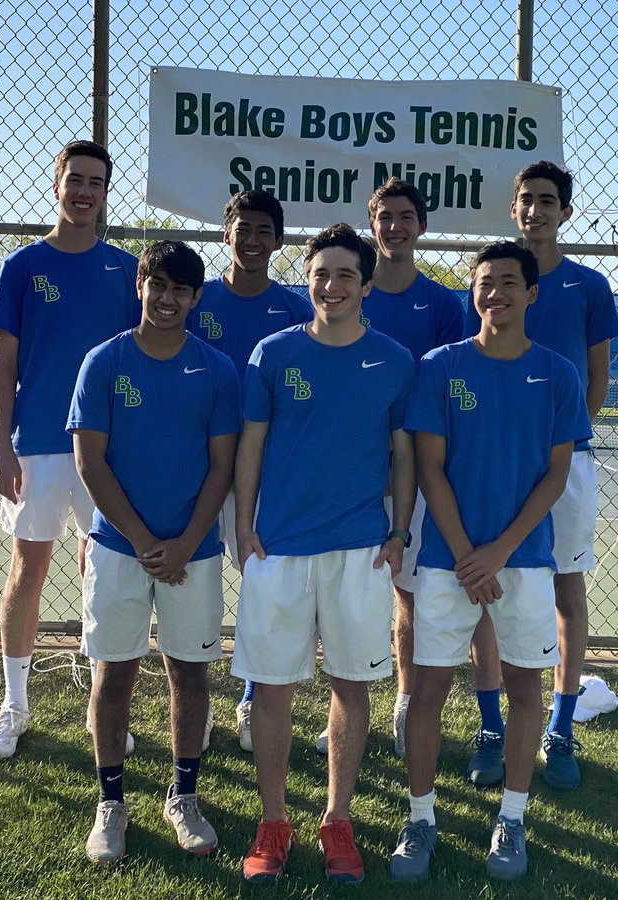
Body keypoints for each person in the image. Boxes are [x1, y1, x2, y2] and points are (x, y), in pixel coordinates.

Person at [391, 240, 591, 882]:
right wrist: (467, 553)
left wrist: (500, 551)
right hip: (448, 561)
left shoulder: (558, 374)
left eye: (509, 282)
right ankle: (420, 819)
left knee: (525, 684)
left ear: (532, 294)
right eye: (485, 282)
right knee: (427, 690)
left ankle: (512, 816)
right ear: (471, 292)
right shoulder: (441, 367)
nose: (495, 292)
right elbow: (429, 467)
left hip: (525, 560)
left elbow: (556, 476)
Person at [231, 224, 415, 884]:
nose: (330, 286)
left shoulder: (394, 360)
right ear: (304, 279)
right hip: (278, 548)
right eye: (319, 274)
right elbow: (250, 444)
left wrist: (397, 533)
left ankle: (337, 819)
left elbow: (403, 456)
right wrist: (244, 526)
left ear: (366, 285)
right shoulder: (271, 353)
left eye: (344, 275)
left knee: (350, 684)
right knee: (273, 688)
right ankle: (273, 821)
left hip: (360, 552)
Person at [70, 241, 241, 864]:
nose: (167, 299)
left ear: (197, 298)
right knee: (114, 673)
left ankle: (184, 795)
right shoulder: (103, 362)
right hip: (121, 548)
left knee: (188, 672)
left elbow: (223, 466)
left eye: (181, 290)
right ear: (140, 285)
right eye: (157, 285)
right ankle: (110, 802)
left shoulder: (218, 370)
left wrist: (188, 543)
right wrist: (144, 541)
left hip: (192, 552)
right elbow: (90, 461)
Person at [0, 140, 141, 760]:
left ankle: (102, 704)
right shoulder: (21, 266)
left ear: (105, 194)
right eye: (75, 179)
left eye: (95, 182)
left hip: (105, 452)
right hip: (39, 447)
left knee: (102, 576)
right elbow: (4, 365)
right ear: (56, 185)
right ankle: (15, 704)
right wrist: (1, 443)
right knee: (30, 569)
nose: (84, 191)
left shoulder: (126, 271)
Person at [462, 161, 618, 791]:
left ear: (566, 212)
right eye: (525, 199)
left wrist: (557, 445)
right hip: (496, 470)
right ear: (513, 209)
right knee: (486, 586)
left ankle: (560, 725)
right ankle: (491, 726)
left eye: (548, 201)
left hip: (566, 463)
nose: (536, 210)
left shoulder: (588, 287)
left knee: (566, 590)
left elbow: (597, 380)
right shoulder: (488, 285)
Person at [314, 177, 463, 759]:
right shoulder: (345, 292)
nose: (395, 226)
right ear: (371, 225)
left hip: (414, 475)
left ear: (420, 226)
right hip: (350, 477)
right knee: (344, 595)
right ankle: (345, 708)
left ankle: (405, 703)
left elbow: (449, 390)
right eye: (384, 217)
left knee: (409, 596)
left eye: (406, 216)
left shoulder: (445, 304)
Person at [186, 189, 312, 754]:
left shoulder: (295, 309)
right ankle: (196, 703)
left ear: (278, 241)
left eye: (265, 231)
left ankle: (254, 698)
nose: (253, 240)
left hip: (266, 473)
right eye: (243, 228)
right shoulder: (196, 299)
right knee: (195, 584)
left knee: (262, 585)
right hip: (197, 467)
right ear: (225, 234)